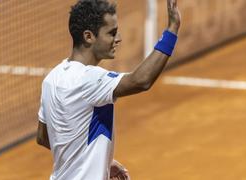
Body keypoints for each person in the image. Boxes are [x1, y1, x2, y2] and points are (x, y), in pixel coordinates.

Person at [36, 0, 181, 179]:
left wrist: (99, 160)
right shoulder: (90, 79)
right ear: (89, 36)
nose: (118, 38)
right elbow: (141, 80)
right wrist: (172, 30)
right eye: (112, 33)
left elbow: (44, 137)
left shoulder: (51, 79)